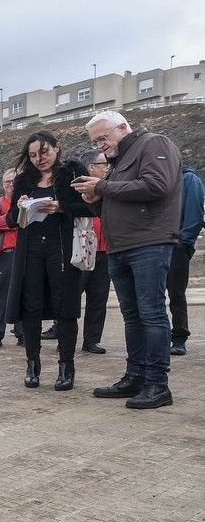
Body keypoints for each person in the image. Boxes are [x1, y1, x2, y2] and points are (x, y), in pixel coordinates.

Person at [72, 111, 182, 409]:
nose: (100, 145)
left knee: (151, 313)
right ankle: (135, 376)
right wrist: (96, 201)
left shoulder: (154, 144)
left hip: (149, 243)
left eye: (103, 138)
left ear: (123, 127)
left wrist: (102, 187)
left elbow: (157, 186)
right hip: (122, 246)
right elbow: (119, 204)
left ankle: (157, 384)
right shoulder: (120, 160)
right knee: (133, 316)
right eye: (95, 141)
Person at [3, 131, 91, 392]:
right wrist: (21, 209)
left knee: (65, 308)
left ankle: (66, 367)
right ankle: (33, 364)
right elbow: (10, 220)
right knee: (31, 307)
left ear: (57, 148)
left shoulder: (72, 172)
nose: (39, 159)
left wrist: (61, 206)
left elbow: (91, 207)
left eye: (44, 152)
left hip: (62, 249)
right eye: (32, 155)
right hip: (30, 250)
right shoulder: (23, 181)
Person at [75, 149, 112, 354]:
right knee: (71, 296)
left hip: (105, 251)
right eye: (102, 164)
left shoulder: (109, 188)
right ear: (90, 167)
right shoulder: (76, 188)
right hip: (81, 251)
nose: (106, 168)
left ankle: (92, 340)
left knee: (99, 298)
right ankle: (62, 333)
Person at [168, 164, 203, 355]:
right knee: (150, 297)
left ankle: (179, 337)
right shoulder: (155, 178)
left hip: (177, 247)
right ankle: (158, 337)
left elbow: (195, 214)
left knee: (176, 294)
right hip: (152, 244)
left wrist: (182, 242)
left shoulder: (189, 180)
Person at [0, 169, 22, 347]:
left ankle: (23, 333)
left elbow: (31, 223)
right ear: (2, 184)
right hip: (3, 255)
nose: (10, 184)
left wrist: (6, 221)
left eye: (14, 181)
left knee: (24, 293)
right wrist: (17, 221)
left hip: (24, 254)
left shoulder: (27, 201)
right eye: (7, 181)